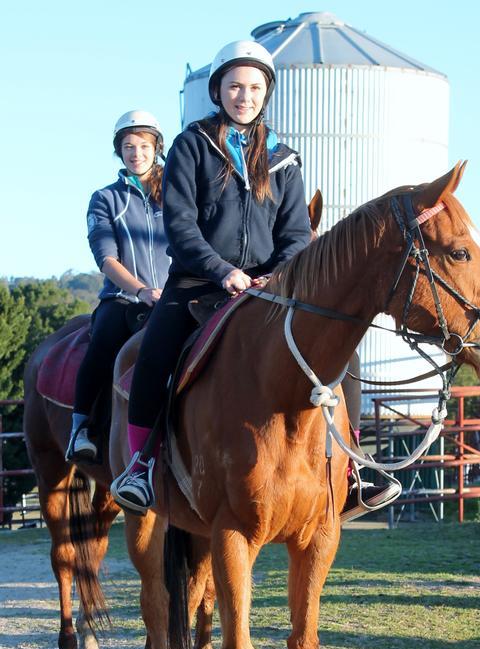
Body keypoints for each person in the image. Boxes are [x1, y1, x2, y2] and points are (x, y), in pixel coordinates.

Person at [111, 40, 311, 512]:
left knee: (338, 348)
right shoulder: (191, 146)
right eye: (235, 86)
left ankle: (351, 465)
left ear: (267, 93)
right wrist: (222, 271)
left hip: (269, 289)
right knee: (154, 354)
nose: (245, 96)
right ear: (217, 90)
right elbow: (179, 225)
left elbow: (297, 232)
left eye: (255, 87)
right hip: (197, 284)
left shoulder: (284, 159)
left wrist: (274, 277)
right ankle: (140, 466)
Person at [65, 110, 170, 462]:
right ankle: (81, 427)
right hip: (125, 298)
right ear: (119, 151)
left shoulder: (176, 194)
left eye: (143, 145)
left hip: (175, 297)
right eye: (128, 146)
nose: (136, 153)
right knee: (105, 338)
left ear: (157, 149)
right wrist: (141, 290)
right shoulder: (104, 199)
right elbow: (107, 259)